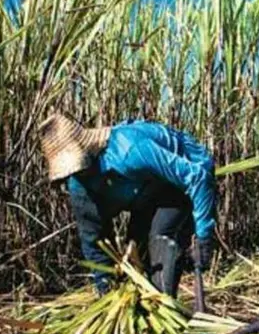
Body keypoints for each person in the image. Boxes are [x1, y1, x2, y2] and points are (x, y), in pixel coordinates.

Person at [38, 112, 216, 298]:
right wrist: (107, 295)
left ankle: (165, 304)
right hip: (144, 196)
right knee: (137, 252)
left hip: (177, 183)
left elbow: (197, 178)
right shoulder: (79, 185)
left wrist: (204, 238)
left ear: (88, 152)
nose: (76, 176)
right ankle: (149, 308)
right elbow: (94, 241)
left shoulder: (130, 151)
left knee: (160, 237)